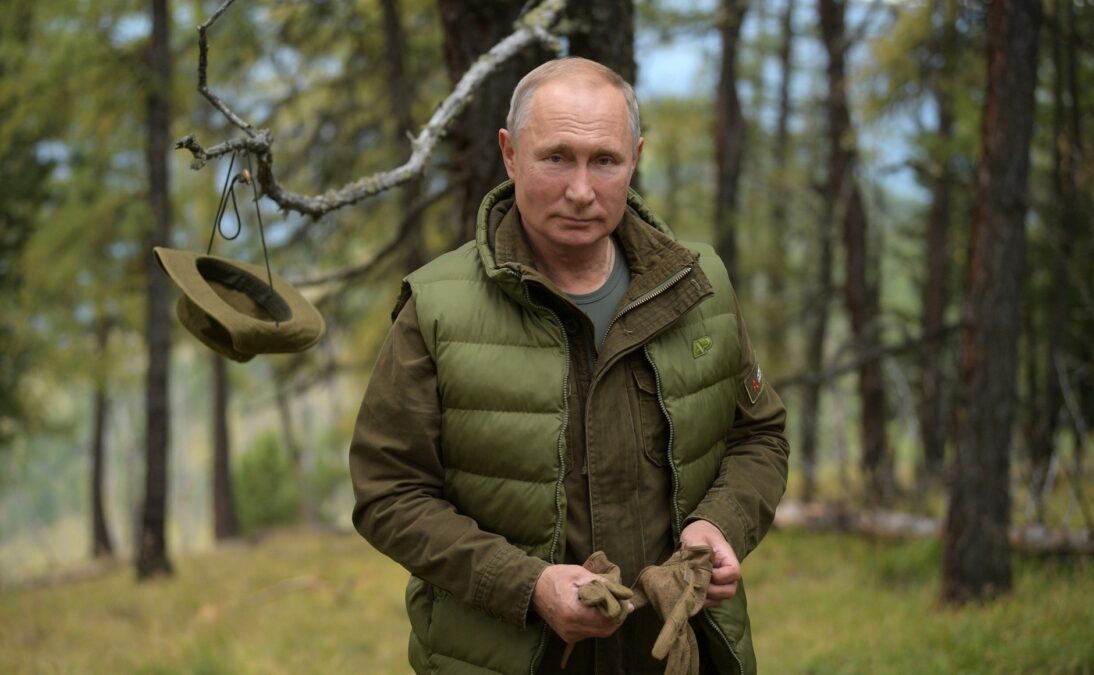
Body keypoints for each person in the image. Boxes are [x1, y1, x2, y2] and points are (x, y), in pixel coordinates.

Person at [349, 57, 789, 675]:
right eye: (556, 157)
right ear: (509, 154)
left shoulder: (699, 287)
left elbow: (759, 437)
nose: (581, 191)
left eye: (604, 160)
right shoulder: (437, 309)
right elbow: (388, 494)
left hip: (677, 656)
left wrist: (721, 524)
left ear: (635, 159)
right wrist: (526, 586)